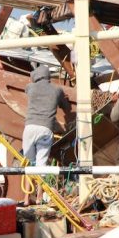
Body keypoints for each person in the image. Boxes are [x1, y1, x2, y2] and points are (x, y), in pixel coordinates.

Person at [22, 65, 71, 204]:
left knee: (29, 164)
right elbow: (66, 108)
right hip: (46, 128)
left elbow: (27, 87)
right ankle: (38, 197)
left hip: (30, 127)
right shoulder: (57, 90)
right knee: (41, 164)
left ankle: (26, 199)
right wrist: (63, 99)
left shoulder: (30, 87)